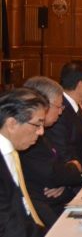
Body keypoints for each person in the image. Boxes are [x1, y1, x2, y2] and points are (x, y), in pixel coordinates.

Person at [20, 77, 82, 227]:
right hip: (44, 208)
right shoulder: (29, 137)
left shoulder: (42, 132)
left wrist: (64, 181)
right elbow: (53, 175)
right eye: (59, 107)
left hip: (54, 201)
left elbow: (59, 169)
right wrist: (74, 168)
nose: (61, 112)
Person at [0, 88, 48, 237]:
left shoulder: (11, 150)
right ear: (12, 124)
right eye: (37, 125)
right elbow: (7, 227)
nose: (41, 132)